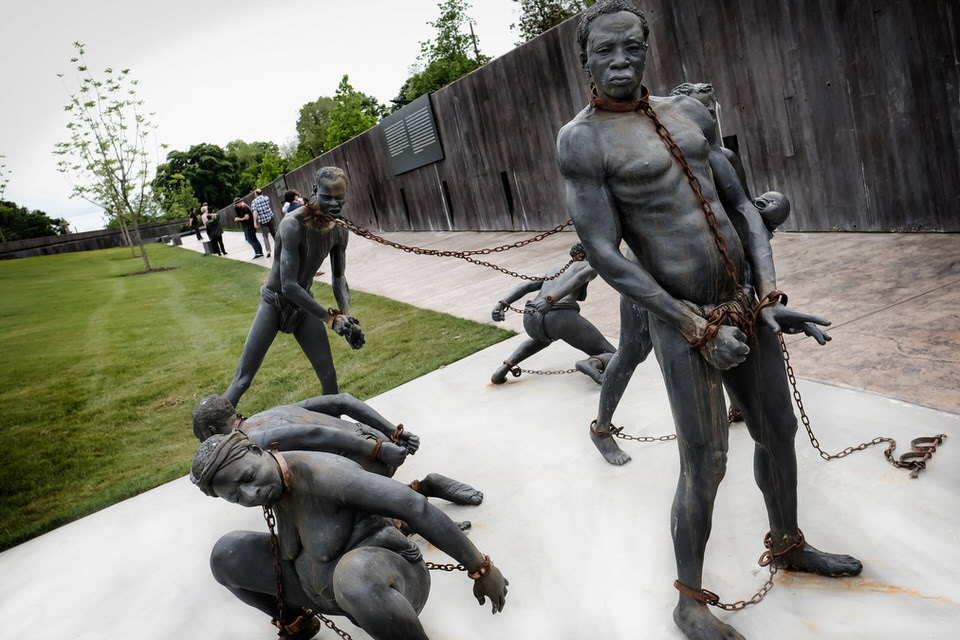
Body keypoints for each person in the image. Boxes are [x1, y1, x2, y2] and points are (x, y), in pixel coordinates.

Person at [557, 3, 861, 639]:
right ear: (584, 58)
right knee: (707, 462)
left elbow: (744, 208)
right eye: (605, 50)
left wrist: (769, 297)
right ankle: (690, 603)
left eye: (633, 48)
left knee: (778, 433)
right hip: (684, 323)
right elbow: (605, 253)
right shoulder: (582, 141)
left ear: (647, 49)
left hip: (745, 304)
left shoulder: (689, 115)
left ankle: (788, 543)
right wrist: (694, 327)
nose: (621, 61)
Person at [190, 432, 508, 640]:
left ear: (257, 451)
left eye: (248, 477)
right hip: (325, 589)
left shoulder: (326, 475)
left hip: (389, 581)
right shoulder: (274, 485)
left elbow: (414, 506)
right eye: (236, 496)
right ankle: (297, 622)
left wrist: (481, 569)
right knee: (226, 554)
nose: (251, 494)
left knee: (353, 575)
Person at [223, 167, 364, 409]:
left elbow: (339, 277)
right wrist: (331, 319)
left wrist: (349, 319)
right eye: (327, 197)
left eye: (339, 198)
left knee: (328, 375)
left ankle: (334, 428)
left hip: (303, 304)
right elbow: (288, 285)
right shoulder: (292, 224)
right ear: (314, 191)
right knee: (243, 380)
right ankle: (213, 426)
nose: (334, 204)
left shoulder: (339, 229)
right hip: (275, 302)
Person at [192, 393, 484, 508]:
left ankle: (420, 491)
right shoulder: (271, 411)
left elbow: (312, 433)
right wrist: (394, 433)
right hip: (377, 443)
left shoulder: (251, 442)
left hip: (368, 460)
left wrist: (377, 451)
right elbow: (342, 401)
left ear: (211, 433)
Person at [489, 243, 615, 385]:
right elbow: (579, 278)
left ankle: (505, 367)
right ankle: (591, 364)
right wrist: (551, 300)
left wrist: (503, 303)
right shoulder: (590, 266)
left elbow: (527, 285)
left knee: (542, 340)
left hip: (531, 317)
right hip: (559, 315)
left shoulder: (557, 269)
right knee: (612, 353)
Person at [252, 188, 278, 258]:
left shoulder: (254, 201)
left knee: (265, 236)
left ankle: (268, 250)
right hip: (270, 218)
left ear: (256, 194)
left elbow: (255, 211)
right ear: (262, 193)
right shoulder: (266, 198)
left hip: (262, 221)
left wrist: (255, 222)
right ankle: (279, 247)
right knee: (274, 233)